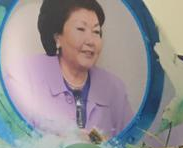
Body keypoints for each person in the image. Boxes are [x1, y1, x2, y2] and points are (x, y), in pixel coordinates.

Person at [7, 0, 132, 136]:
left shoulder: (114, 88)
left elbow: (130, 143)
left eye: (96, 32)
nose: (91, 41)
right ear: (57, 38)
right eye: (81, 29)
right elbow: (11, 137)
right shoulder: (26, 75)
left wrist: (99, 143)